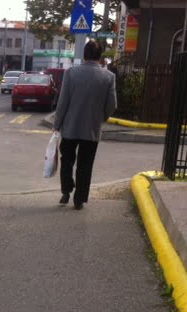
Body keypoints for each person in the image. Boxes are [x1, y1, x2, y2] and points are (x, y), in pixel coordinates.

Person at [53, 41, 117, 210]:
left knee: (67, 160)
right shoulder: (108, 77)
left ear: (84, 54)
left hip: (70, 127)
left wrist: (57, 124)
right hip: (92, 129)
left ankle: (66, 191)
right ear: (100, 56)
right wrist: (101, 118)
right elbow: (112, 105)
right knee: (85, 164)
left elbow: (63, 102)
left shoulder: (71, 73)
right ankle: (79, 199)